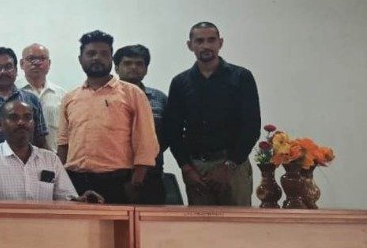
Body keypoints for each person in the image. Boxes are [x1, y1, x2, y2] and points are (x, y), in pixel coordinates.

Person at [162, 22, 261, 206]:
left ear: (220, 43)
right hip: (196, 169)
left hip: (233, 166)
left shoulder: (241, 77)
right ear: (190, 45)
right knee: (201, 223)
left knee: (238, 221)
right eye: (199, 41)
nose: (206, 45)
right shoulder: (180, 82)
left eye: (211, 40)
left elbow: (252, 126)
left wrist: (230, 166)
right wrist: (186, 168)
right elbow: (172, 129)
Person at [58, 30, 159, 204]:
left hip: (118, 183)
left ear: (111, 59)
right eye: (91, 53)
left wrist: (135, 183)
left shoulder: (132, 93)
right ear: (80, 59)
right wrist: (61, 181)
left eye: (104, 53)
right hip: (76, 181)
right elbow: (63, 143)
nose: (97, 57)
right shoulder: (70, 98)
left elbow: (146, 141)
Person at [0, 100, 102, 202]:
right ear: (0, 125)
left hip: (44, 230)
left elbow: (66, 200)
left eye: (27, 118)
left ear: (34, 124)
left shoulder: (51, 159)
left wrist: (82, 200)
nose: (21, 122)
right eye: (13, 117)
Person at [113, 44, 169, 204]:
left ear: (146, 69)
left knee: (152, 218)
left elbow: (167, 135)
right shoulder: (106, 98)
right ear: (116, 68)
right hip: (115, 174)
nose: (133, 67)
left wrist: (147, 152)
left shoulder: (159, 98)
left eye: (139, 64)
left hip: (152, 173)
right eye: (127, 63)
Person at [19, 43, 67, 152]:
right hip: (21, 157)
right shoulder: (13, 92)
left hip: (55, 156)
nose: (37, 63)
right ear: (22, 64)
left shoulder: (62, 94)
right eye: (31, 59)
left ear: (49, 63)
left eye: (42, 58)